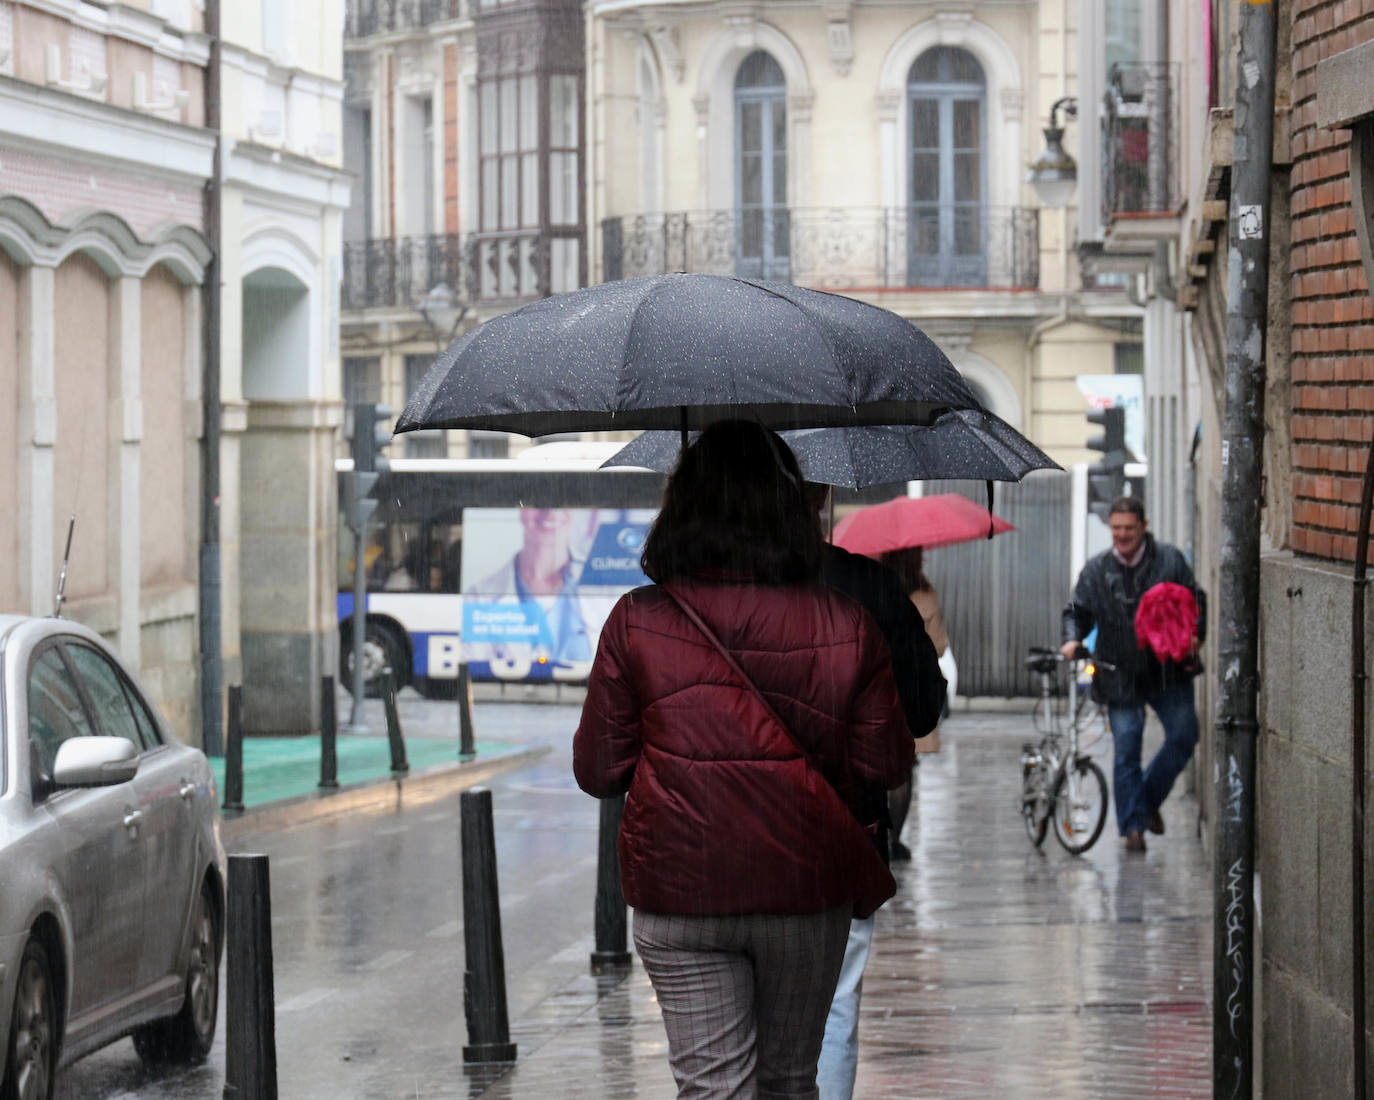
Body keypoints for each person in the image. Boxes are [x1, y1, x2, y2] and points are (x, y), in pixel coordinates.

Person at [574, 421, 914, 1099]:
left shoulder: (636, 619)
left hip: (681, 887)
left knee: (712, 1088)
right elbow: (884, 766)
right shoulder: (846, 621)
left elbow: (599, 770)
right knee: (790, 1082)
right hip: (804, 884)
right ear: (793, 509)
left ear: (682, 507)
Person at [807, 490, 944, 1100]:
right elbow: (920, 707)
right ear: (821, 500)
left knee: (733, 1038)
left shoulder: (686, 592)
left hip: (716, 849)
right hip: (841, 836)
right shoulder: (866, 585)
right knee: (834, 1006)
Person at [1061, 496, 1206, 853]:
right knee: (1126, 747)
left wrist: (1195, 633)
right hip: (1118, 672)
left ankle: (1145, 801)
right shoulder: (1095, 571)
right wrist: (1071, 639)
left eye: (1128, 528)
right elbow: (1076, 610)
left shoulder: (1169, 560)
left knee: (1185, 734)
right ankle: (1133, 830)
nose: (1122, 535)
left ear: (1143, 526)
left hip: (1167, 670)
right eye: (1116, 529)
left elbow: (1195, 599)